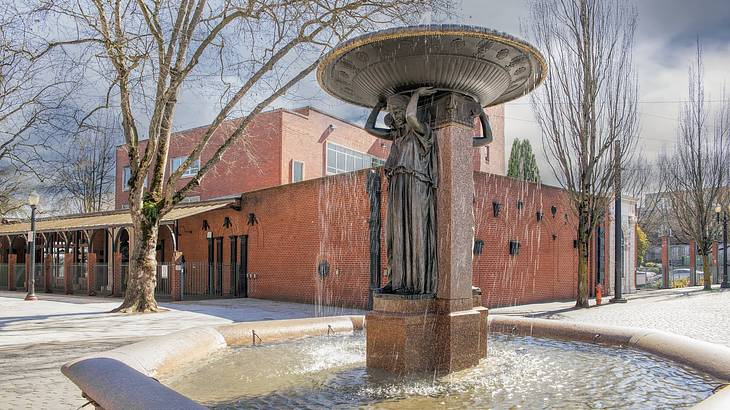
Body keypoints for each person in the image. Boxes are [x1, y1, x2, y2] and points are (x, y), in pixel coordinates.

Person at [365, 87, 438, 294]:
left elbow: (411, 117)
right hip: (398, 186)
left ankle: (417, 283)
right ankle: (398, 281)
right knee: (395, 232)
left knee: (415, 231)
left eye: (399, 111)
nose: (397, 116)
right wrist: (379, 106)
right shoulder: (396, 137)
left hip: (416, 186)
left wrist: (415, 96)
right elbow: (369, 127)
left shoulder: (422, 132)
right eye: (393, 113)